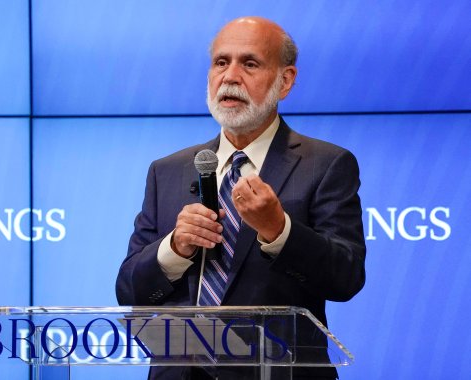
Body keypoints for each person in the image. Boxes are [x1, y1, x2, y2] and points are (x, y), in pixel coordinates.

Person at [116, 16, 366, 380]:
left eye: (249, 63)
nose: (230, 76)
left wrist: (279, 231)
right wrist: (175, 248)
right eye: (221, 62)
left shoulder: (326, 165)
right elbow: (129, 289)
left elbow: (346, 277)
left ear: (286, 80)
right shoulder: (167, 170)